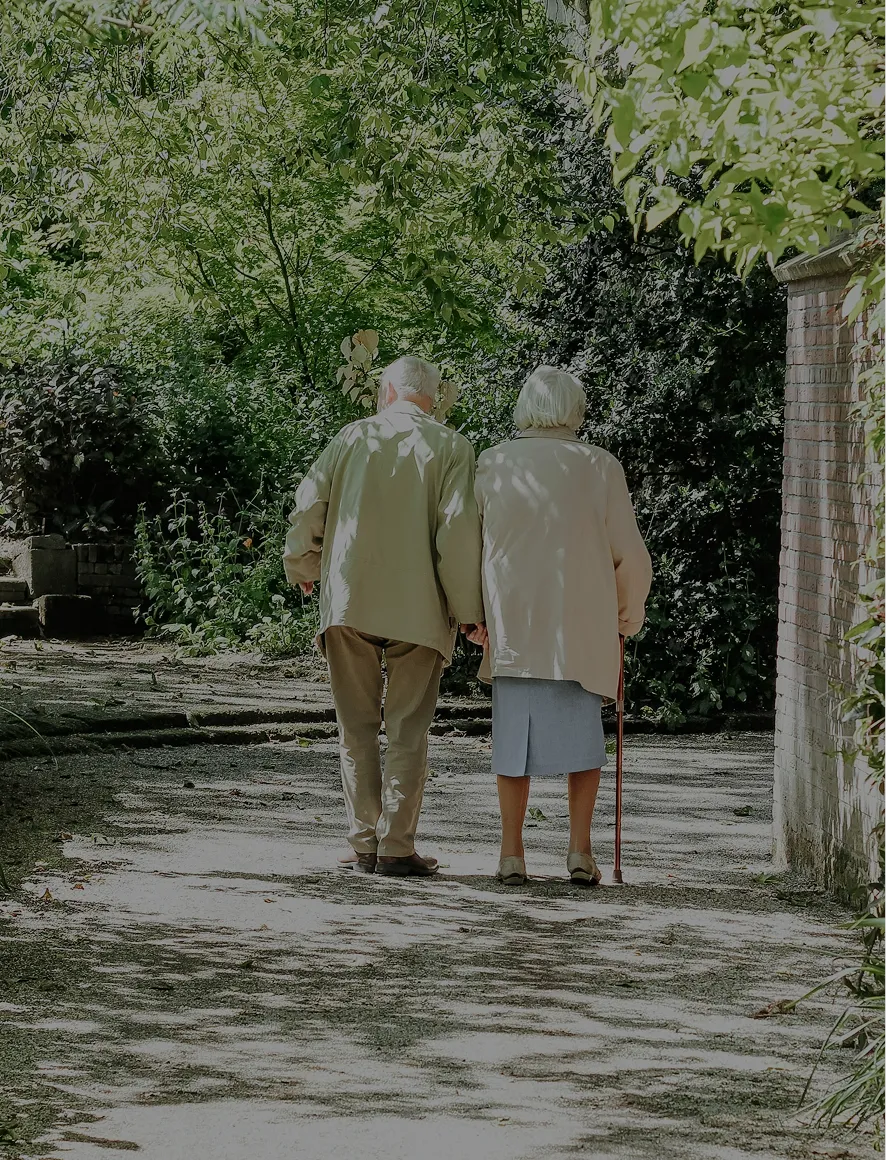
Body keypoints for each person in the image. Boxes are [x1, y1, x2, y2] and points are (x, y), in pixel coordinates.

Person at [283, 356, 485, 877]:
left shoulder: (351, 438)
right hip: (420, 609)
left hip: (351, 601)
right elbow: (458, 533)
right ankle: (397, 846)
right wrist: (469, 612)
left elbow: (310, 506)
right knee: (407, 729)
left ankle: (362, 842)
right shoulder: (452, 447)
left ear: (387, 391)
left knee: (355, 727)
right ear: (433, 398)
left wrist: (302, 563)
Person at [470, 366, 652, 887]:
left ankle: (511, 853)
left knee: (512, 743)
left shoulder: (493, 462)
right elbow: (630, 555)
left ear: (525, 407)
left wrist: (473, 614)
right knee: (584, 742)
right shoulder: (599, 466)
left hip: (515, 623)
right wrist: (627, 613)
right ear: (576, 410)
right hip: (581, 624)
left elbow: (472, 547)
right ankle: (579, 850)